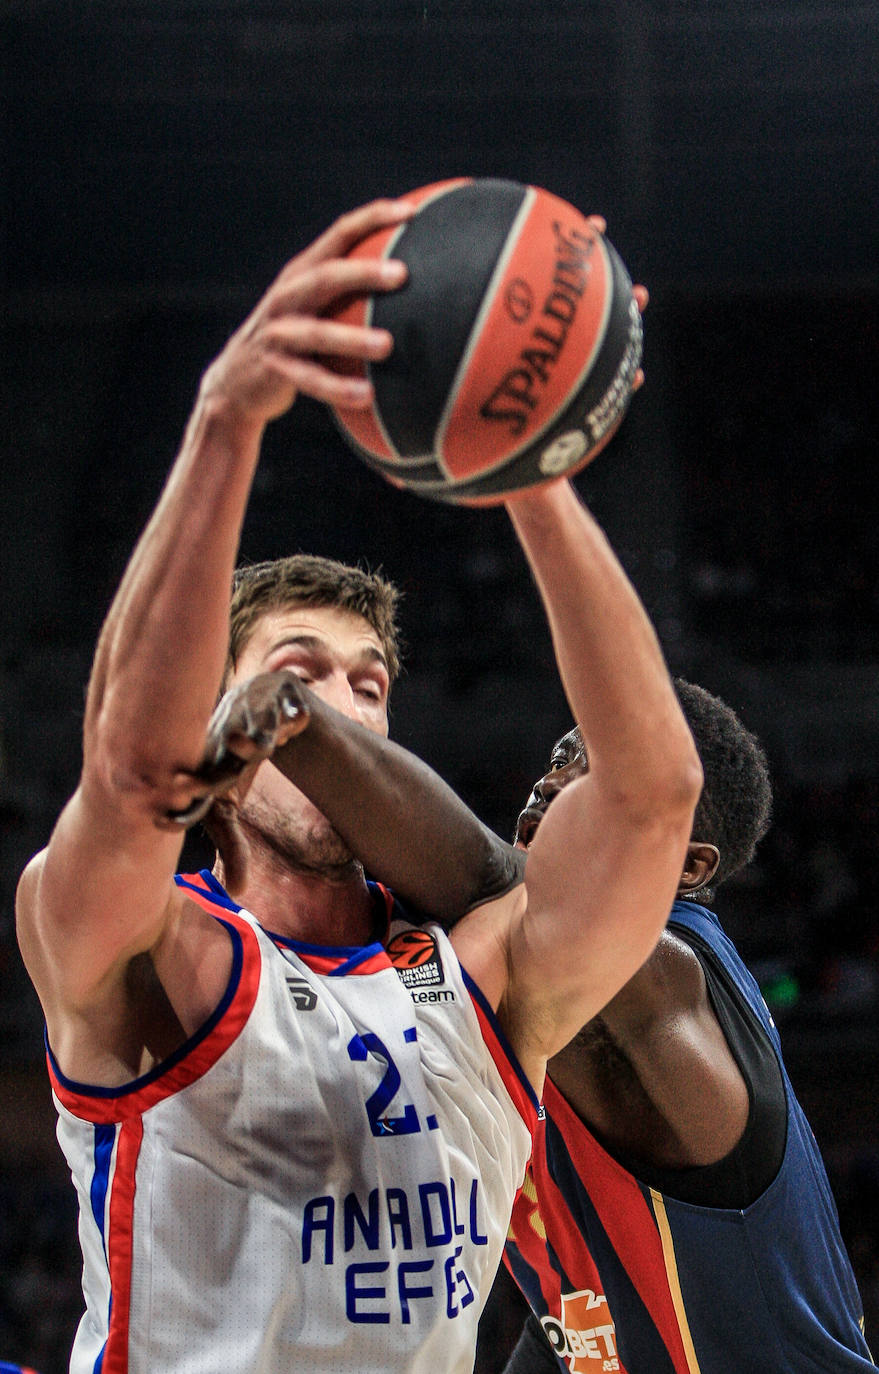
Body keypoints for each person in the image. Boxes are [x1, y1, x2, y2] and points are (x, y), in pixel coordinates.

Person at [15, 197, 702, 1373]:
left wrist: (528, 467)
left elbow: (653, 796)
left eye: (369, 682)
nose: (340, 703)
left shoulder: (487, 973)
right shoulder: (148, 954)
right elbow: (130, 779)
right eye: (298, 673)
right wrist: (227, 421)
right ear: (227, 717)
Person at [203, 675, 875, 1370]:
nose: (551, 783)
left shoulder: (665, 979)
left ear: (685, 863)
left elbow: (485, 883)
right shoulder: (520, 1026)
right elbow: (572, 1325)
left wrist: (289, 715)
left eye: (597, 774)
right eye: (558, 758)